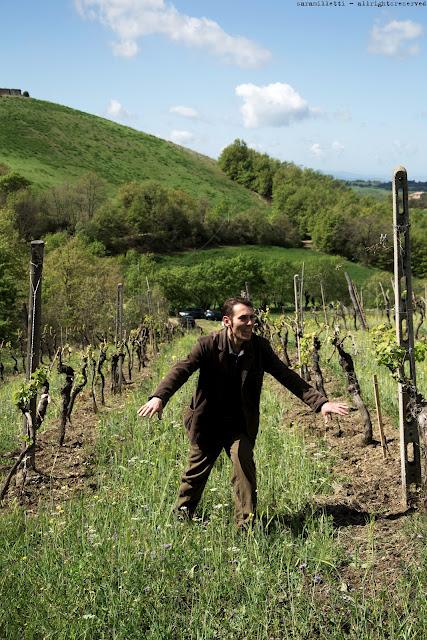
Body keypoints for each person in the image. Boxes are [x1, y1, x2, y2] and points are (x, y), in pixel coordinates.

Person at [138, 297, 348, 528]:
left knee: (244, 468)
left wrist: (320, 403)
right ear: (227, 321)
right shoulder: (207, 345)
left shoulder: (259, 348)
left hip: (239, 423)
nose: (250, 323)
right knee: (195, 474)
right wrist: (159, 397)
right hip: (207, 422)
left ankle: (245, 527)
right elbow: (181, 370)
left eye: (252, 318)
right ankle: (181, 518)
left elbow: (285, 375)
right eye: (244, 318)